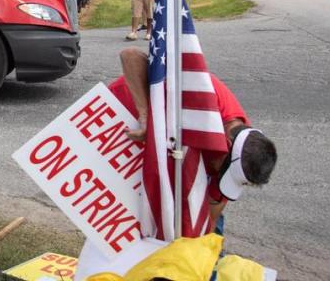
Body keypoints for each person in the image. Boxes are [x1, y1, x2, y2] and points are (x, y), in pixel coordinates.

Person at [110, 47, 277, 228]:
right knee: (119, 217)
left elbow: (212, 209)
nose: (220, 176)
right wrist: (146, 116)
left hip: (159, 152)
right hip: (118, 120)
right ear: (226, 144)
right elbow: (130, 55)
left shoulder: (239, 154)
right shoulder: (200, 94)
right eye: (224, 171)